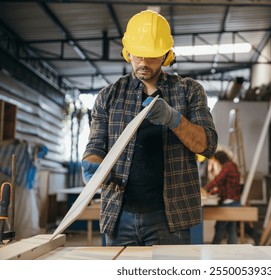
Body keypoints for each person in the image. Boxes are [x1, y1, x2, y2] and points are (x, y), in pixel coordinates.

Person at [81, 9, 218, 246]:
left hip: (172, 217)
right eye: (138, 55)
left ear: (166, 55)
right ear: (127, 52)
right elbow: (95, 147)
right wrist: (92, 166)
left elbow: (207, 146)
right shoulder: (108, 96)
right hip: (118, 214)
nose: (143, 63)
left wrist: (174, 119)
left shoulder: (189, 91)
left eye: (152, 56)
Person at [203, 150, 241, 244]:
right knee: (231, 229)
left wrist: (205, 189)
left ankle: (214, 249)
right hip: (234, 202)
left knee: (220, 227)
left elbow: (218, 180)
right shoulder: (232, 165)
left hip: (229, 202)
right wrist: (212, 191)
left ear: (219, 159)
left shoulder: (227, 167)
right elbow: (225, 186)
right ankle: (233, 253)